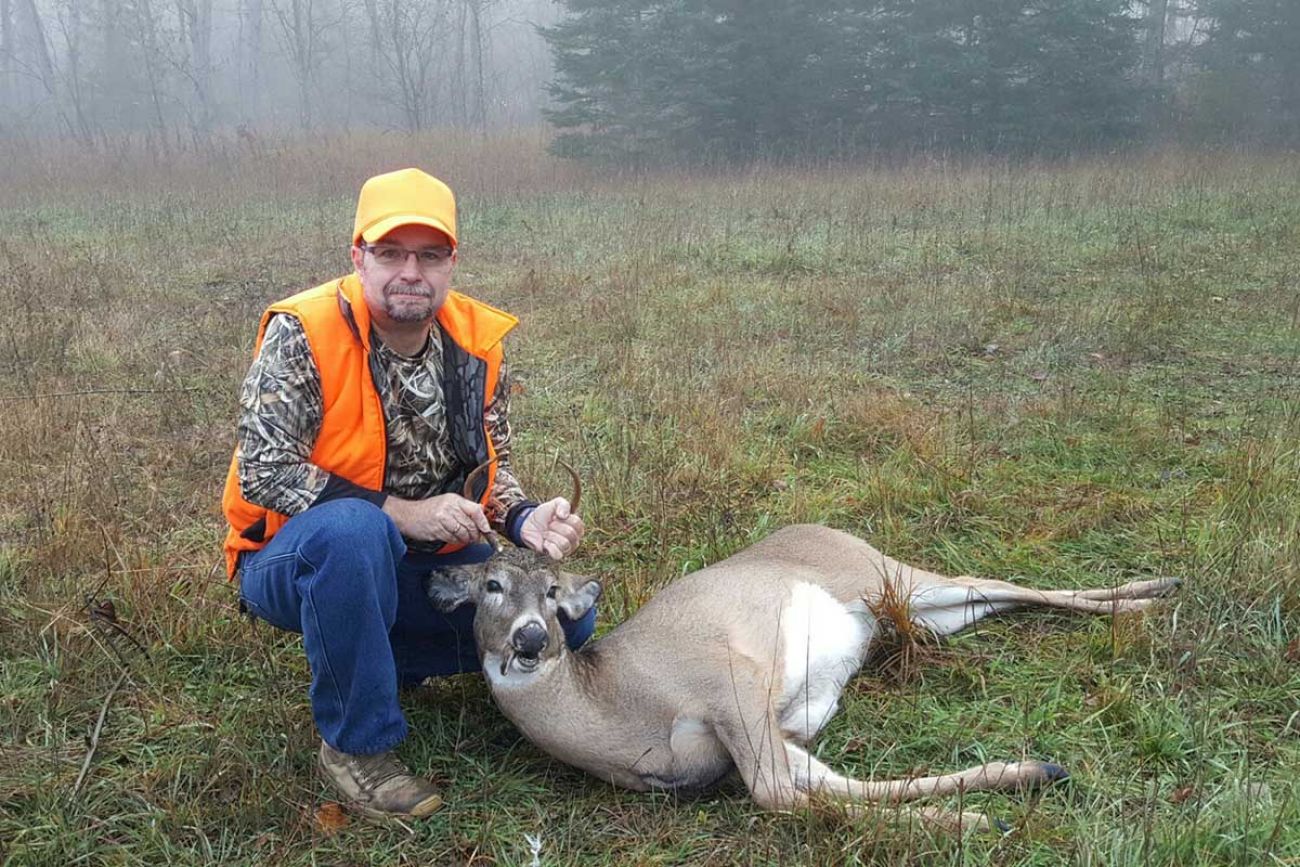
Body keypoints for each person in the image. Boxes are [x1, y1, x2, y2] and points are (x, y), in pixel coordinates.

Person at [220, 168, 589, 819]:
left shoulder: (475, 343)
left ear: (452, 262)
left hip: (420, 560)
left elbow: (484, 471)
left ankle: (364, 645)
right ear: (357, 256)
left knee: (571, 619)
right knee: (356, 532)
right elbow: (264, 471)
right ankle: (357, 745)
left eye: (429, 254)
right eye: (390, 253)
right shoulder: (304, 332)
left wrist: (525, 517)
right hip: (294, 554)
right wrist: (403, 512)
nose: (409, 271)